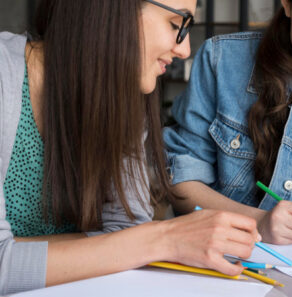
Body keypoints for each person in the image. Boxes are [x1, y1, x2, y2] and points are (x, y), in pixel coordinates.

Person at [0, 0, 260, 295]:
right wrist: (163, 239)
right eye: (176, 25)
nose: (185, 50)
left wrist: (16, 252)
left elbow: (124, 231)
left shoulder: (120, 99)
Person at [164, 0, 292, 245]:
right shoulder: (222, 59)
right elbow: (179, 184)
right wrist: (259, 221)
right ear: (288, 5)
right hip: (222, 264)